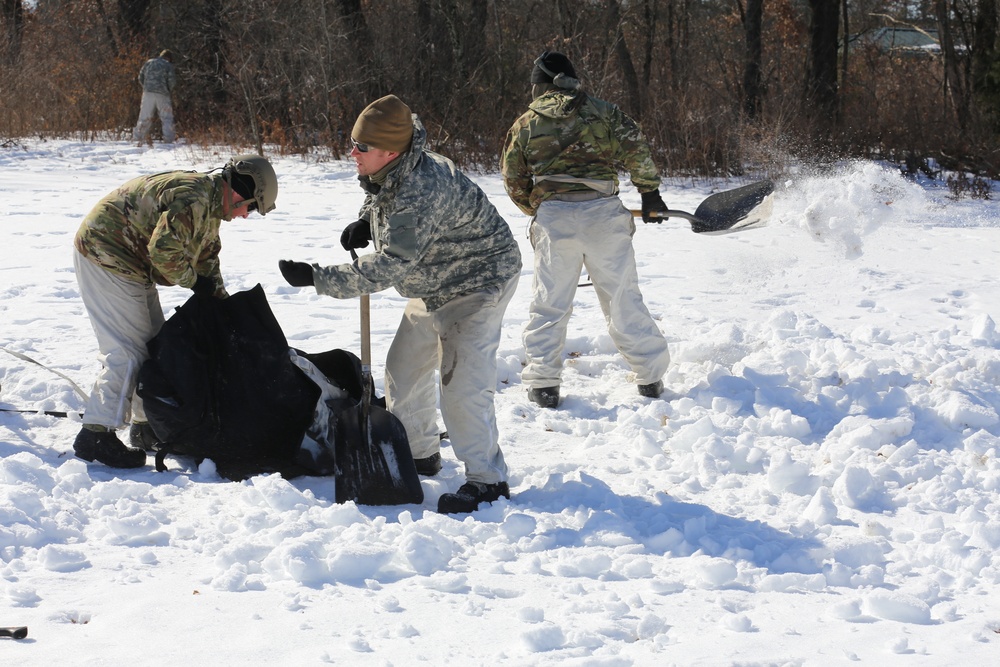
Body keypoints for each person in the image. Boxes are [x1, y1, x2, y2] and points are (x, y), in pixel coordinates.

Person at [278, 95, 521, 514]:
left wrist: (318, 278)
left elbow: (388, 267)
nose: (351, 153)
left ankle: (487, 480)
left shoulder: (421, 190)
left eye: (361, 148)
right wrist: (365, 218)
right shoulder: (398, 166)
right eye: (351, 142)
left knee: (461, 386)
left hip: (478, 282)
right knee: (403, 371)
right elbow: (381, 195)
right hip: (434, 282)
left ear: (389, 151)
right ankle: (420, 451)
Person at [72, 155, 279, 468]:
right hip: (105, 254)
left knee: (157, 345)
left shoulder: (209, 205)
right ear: (240, 192)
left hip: (131, 264)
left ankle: (145, 426)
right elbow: (164, 254)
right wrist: (195, 283)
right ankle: (96, 432)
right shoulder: (194, 198)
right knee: (128, 352)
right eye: (251, 207)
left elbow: (207, 259)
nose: (246, 216)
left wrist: (223, 308)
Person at [501, 51, 672, 409]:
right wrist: (650, 193)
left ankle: (544, 384)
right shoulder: (605, 112)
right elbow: (636, 149)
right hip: (603, 215)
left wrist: (541, 209)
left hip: (555, 219)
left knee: (549, 304)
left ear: (540, 85)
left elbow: (513, 177)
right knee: (622, 297)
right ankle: (650, 378)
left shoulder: (526, 122)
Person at [133, 49, 177, 145]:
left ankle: (138, 138)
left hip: (147, 93)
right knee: (166, 117)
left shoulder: (149, 62)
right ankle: (168, 140)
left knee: (144, 116)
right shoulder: (168, 65)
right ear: (169, 58)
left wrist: (146, 87)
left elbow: (140, 77)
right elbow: (172, 81)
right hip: (163, 94)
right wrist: (168, 89)